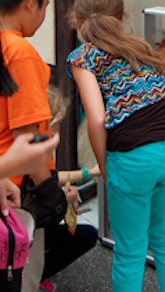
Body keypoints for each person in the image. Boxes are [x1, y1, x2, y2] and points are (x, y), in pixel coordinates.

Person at [66, 0, 165, 292]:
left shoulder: (83, 56)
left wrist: (104, 166)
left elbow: (97, 119)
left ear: (76, 20)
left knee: (130, 251)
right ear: (122, 18)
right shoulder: (140, 47)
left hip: (135, 156)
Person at [0, 0, 60, 292]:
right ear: (30, 1)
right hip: (14, 188)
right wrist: (50, 191)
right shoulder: (20, 50)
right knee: (20, 271)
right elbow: (28, 134)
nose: (43, 15)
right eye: (46, 6)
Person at [38, 86, 99, 292]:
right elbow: (43, 208)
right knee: (86, 235)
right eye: (54, 128)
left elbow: (51, 178)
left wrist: (87, 173)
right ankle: (36, 272)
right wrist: (64, 200)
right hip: (25, 227)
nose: (57, 135)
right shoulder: (34, 153)